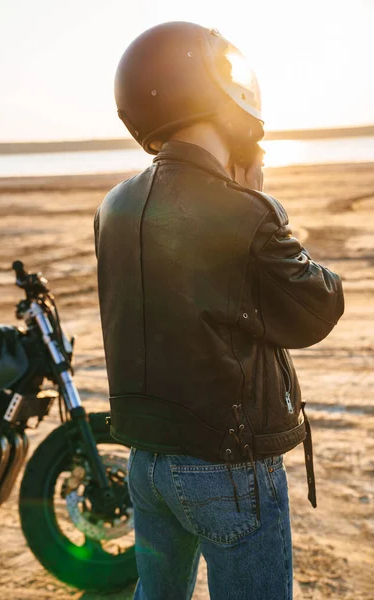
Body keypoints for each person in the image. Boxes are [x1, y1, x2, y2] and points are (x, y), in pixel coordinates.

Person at [94, 21, 344, 600]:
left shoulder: (114, 205)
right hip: (226, 464)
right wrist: (265, 202)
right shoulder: (245, 210)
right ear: (213, 92)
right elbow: (318, 306)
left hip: (147, 461)